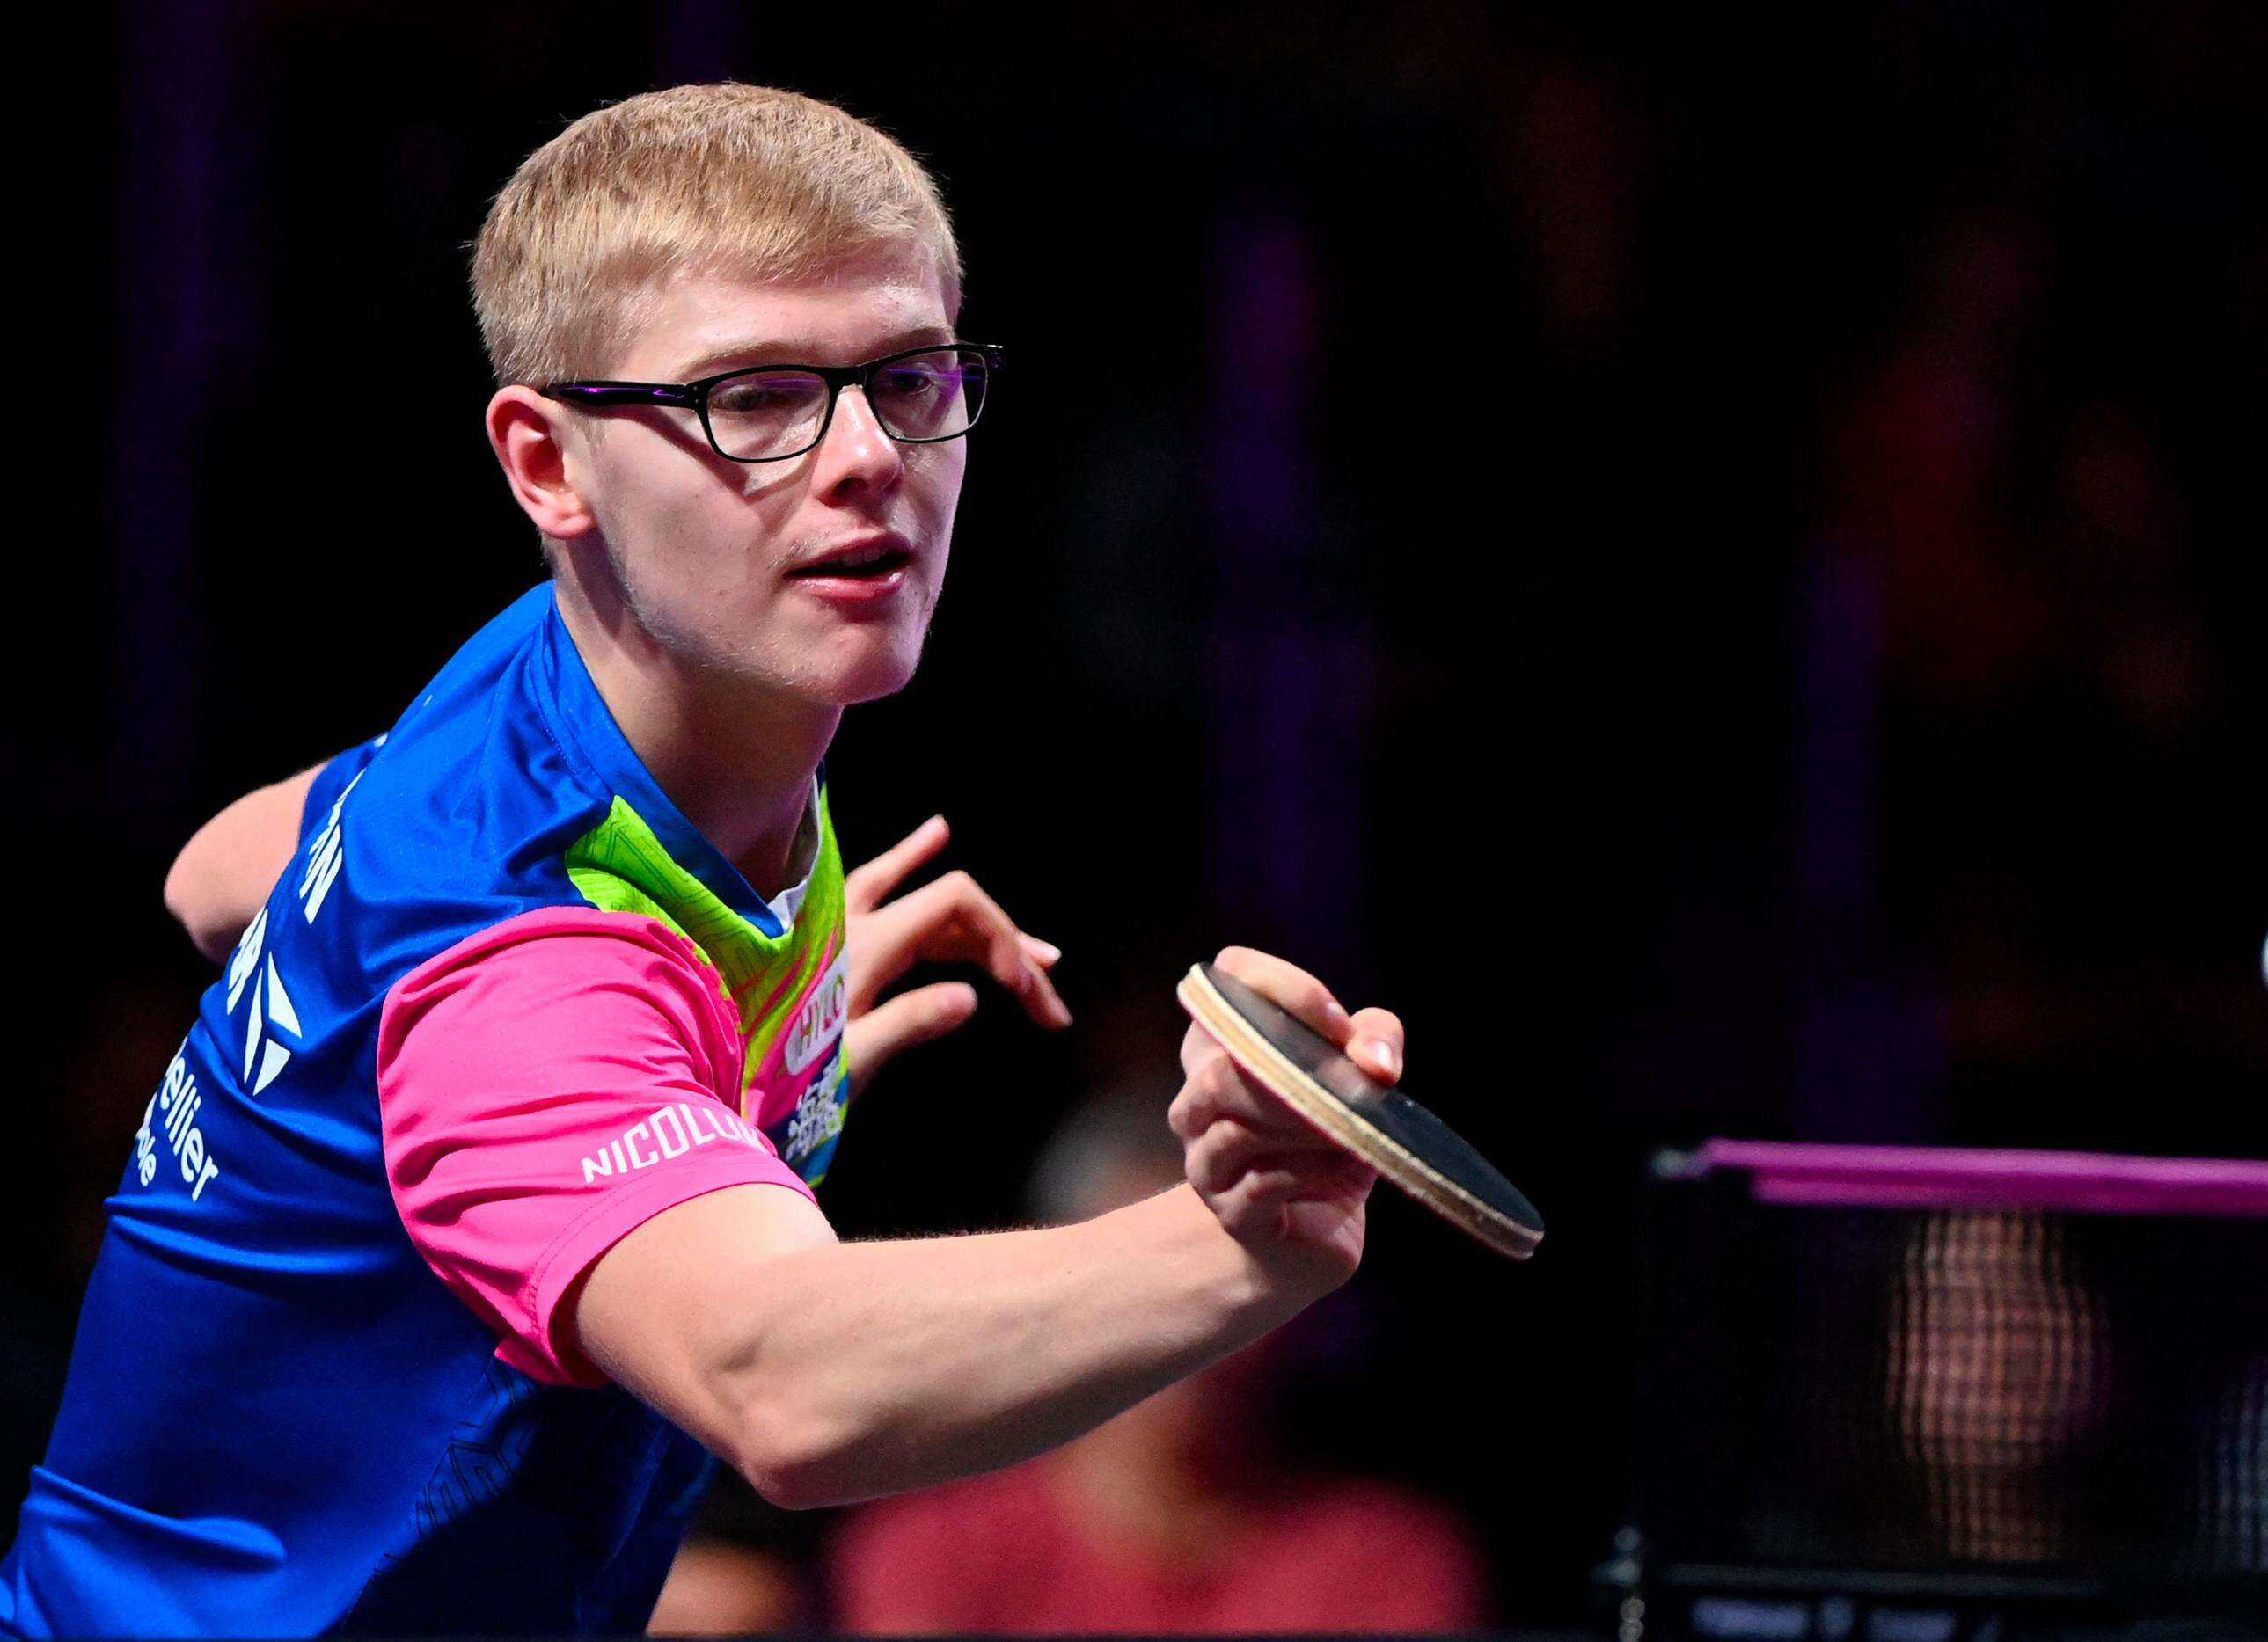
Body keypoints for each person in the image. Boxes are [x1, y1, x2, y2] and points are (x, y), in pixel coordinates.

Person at [0, 84, 1401, 1637]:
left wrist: (700, 1040)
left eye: (908, 376)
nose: (869, 455)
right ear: (549, 463)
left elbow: (214, 874)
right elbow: (783, 1385)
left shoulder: (551, 684)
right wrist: (1248, 1240)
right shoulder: (518, 950)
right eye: (754, 399)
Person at [820, 1091, 1488, 1633]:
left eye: (1231, 1276)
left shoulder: (1387, 1559)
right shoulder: (937, 1549)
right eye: (1145, 1283)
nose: (1189, 1324)